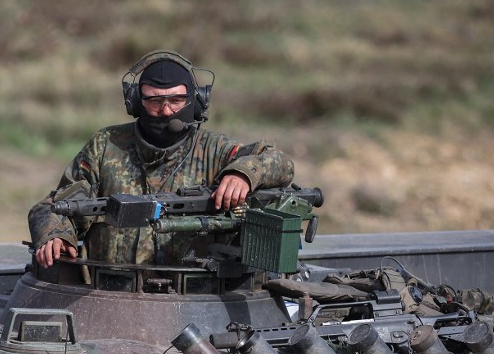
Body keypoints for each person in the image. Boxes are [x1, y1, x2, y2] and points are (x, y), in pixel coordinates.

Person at [29, 50, 296, 268]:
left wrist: (243, 174)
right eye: (153, 101)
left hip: (197, 301)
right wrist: (56, 234)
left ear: (196, 101)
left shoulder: (214, 150)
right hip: (111, 295)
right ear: (135, 101)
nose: (165, 110)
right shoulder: (106, 146)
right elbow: (55, 204)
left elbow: (280, 162)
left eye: (177, 100)